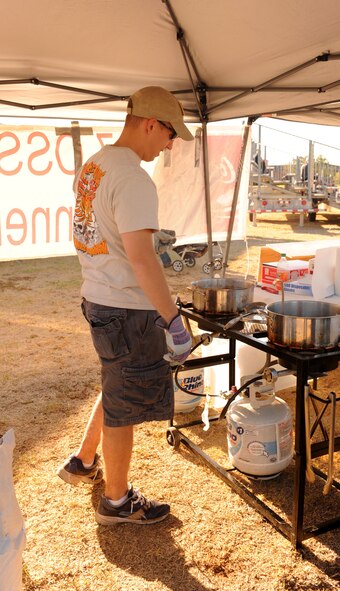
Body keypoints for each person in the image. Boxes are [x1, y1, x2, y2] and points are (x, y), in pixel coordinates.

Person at [57, 86, 194, 525]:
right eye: (170, 133)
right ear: (151, 123)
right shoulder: (134, 177)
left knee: (116, 379)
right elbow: (141, 257)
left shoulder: (94, 165)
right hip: (125, 308)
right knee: (125, 405)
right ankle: (117, 502)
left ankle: (83, 459)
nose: (170, 144)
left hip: (98, 296)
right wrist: (172, 317)